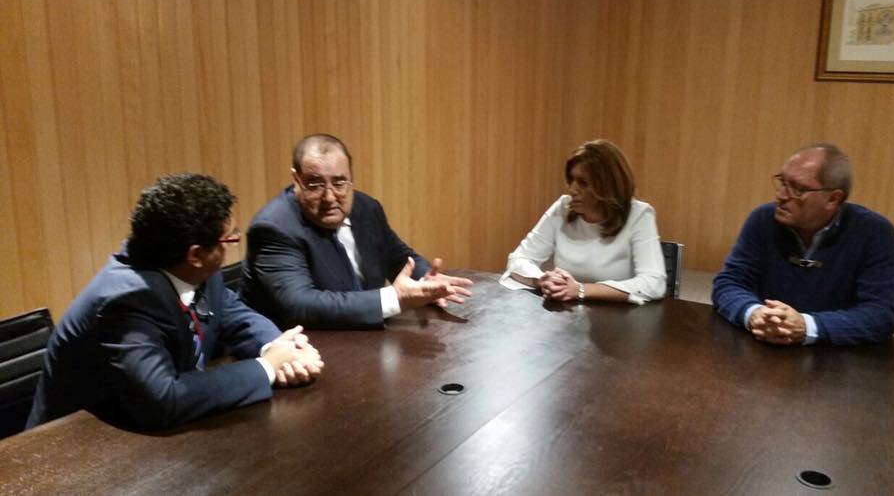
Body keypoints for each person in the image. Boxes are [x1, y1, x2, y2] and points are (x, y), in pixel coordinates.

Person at [27, 174, 323, 431]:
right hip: (76, 451)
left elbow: (233, 313)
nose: (232, 243)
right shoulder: (126, 302)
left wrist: (279, 348)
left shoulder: (189, 268)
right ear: (195, 254)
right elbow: (164, 399)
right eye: (229, 239)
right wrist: (266, 367)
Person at [240, 134, 473, 329]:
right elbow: (300, 305)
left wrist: (425, 282)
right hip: (297, 350)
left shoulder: (366, 208)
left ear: (351, 178)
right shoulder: (274, 228)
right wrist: (394, 298)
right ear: (297, 179)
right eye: (315, 184)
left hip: (364, 340)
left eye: (339, 183)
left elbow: (399, 258)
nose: (329, 197)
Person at [712, 143, 894, 346]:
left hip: (836, 356)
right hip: (762, 345)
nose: (781, 195)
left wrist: (806, 326)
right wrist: (754, 314)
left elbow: (882, 314)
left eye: (797, 189)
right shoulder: (763, 219)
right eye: (782, 182)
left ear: (833, 199)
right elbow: (728, 283)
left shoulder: (874, 232)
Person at [499, 139, 667, 304]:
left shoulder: (639, 214)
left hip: (620, 316)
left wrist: (581, 290)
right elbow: (518, 260)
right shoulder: (562, 208)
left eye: (583, 183)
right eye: (571, 180)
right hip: (567, 314)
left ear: (608, 186)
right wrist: (543, 280)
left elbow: (654, 283)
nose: (572, 189)